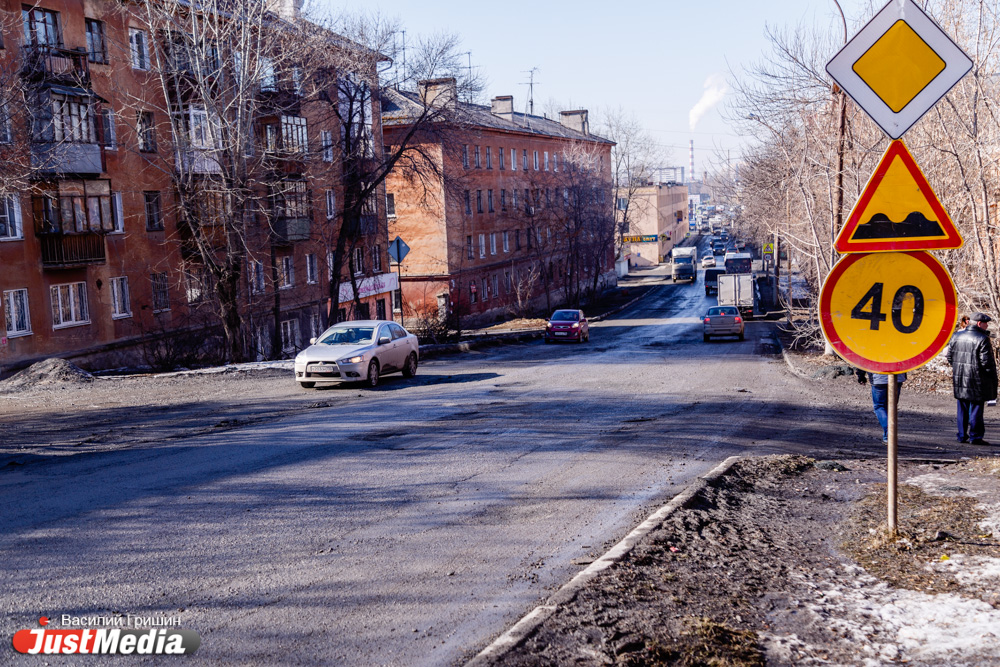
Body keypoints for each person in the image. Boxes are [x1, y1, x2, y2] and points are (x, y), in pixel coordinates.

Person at [947, 312, 998, 445]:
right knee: (976, 408)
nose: (987, 326)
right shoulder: (982, 339)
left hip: (960, 378)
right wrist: (992, 378)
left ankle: (962, 435)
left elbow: (949, 357)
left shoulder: (956, 336)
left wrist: (958, 368)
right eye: (986, 323)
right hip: (977, 380)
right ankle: (975, 436)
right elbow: (987, 363)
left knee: (962, 407)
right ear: (980, 324)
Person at [857, 371, 906, 443]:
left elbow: (865, 360)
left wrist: (861, 375)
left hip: (879, 378)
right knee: (891, 406)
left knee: (879, 407)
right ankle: (888, 435)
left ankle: (889, 431)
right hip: (898, 377)